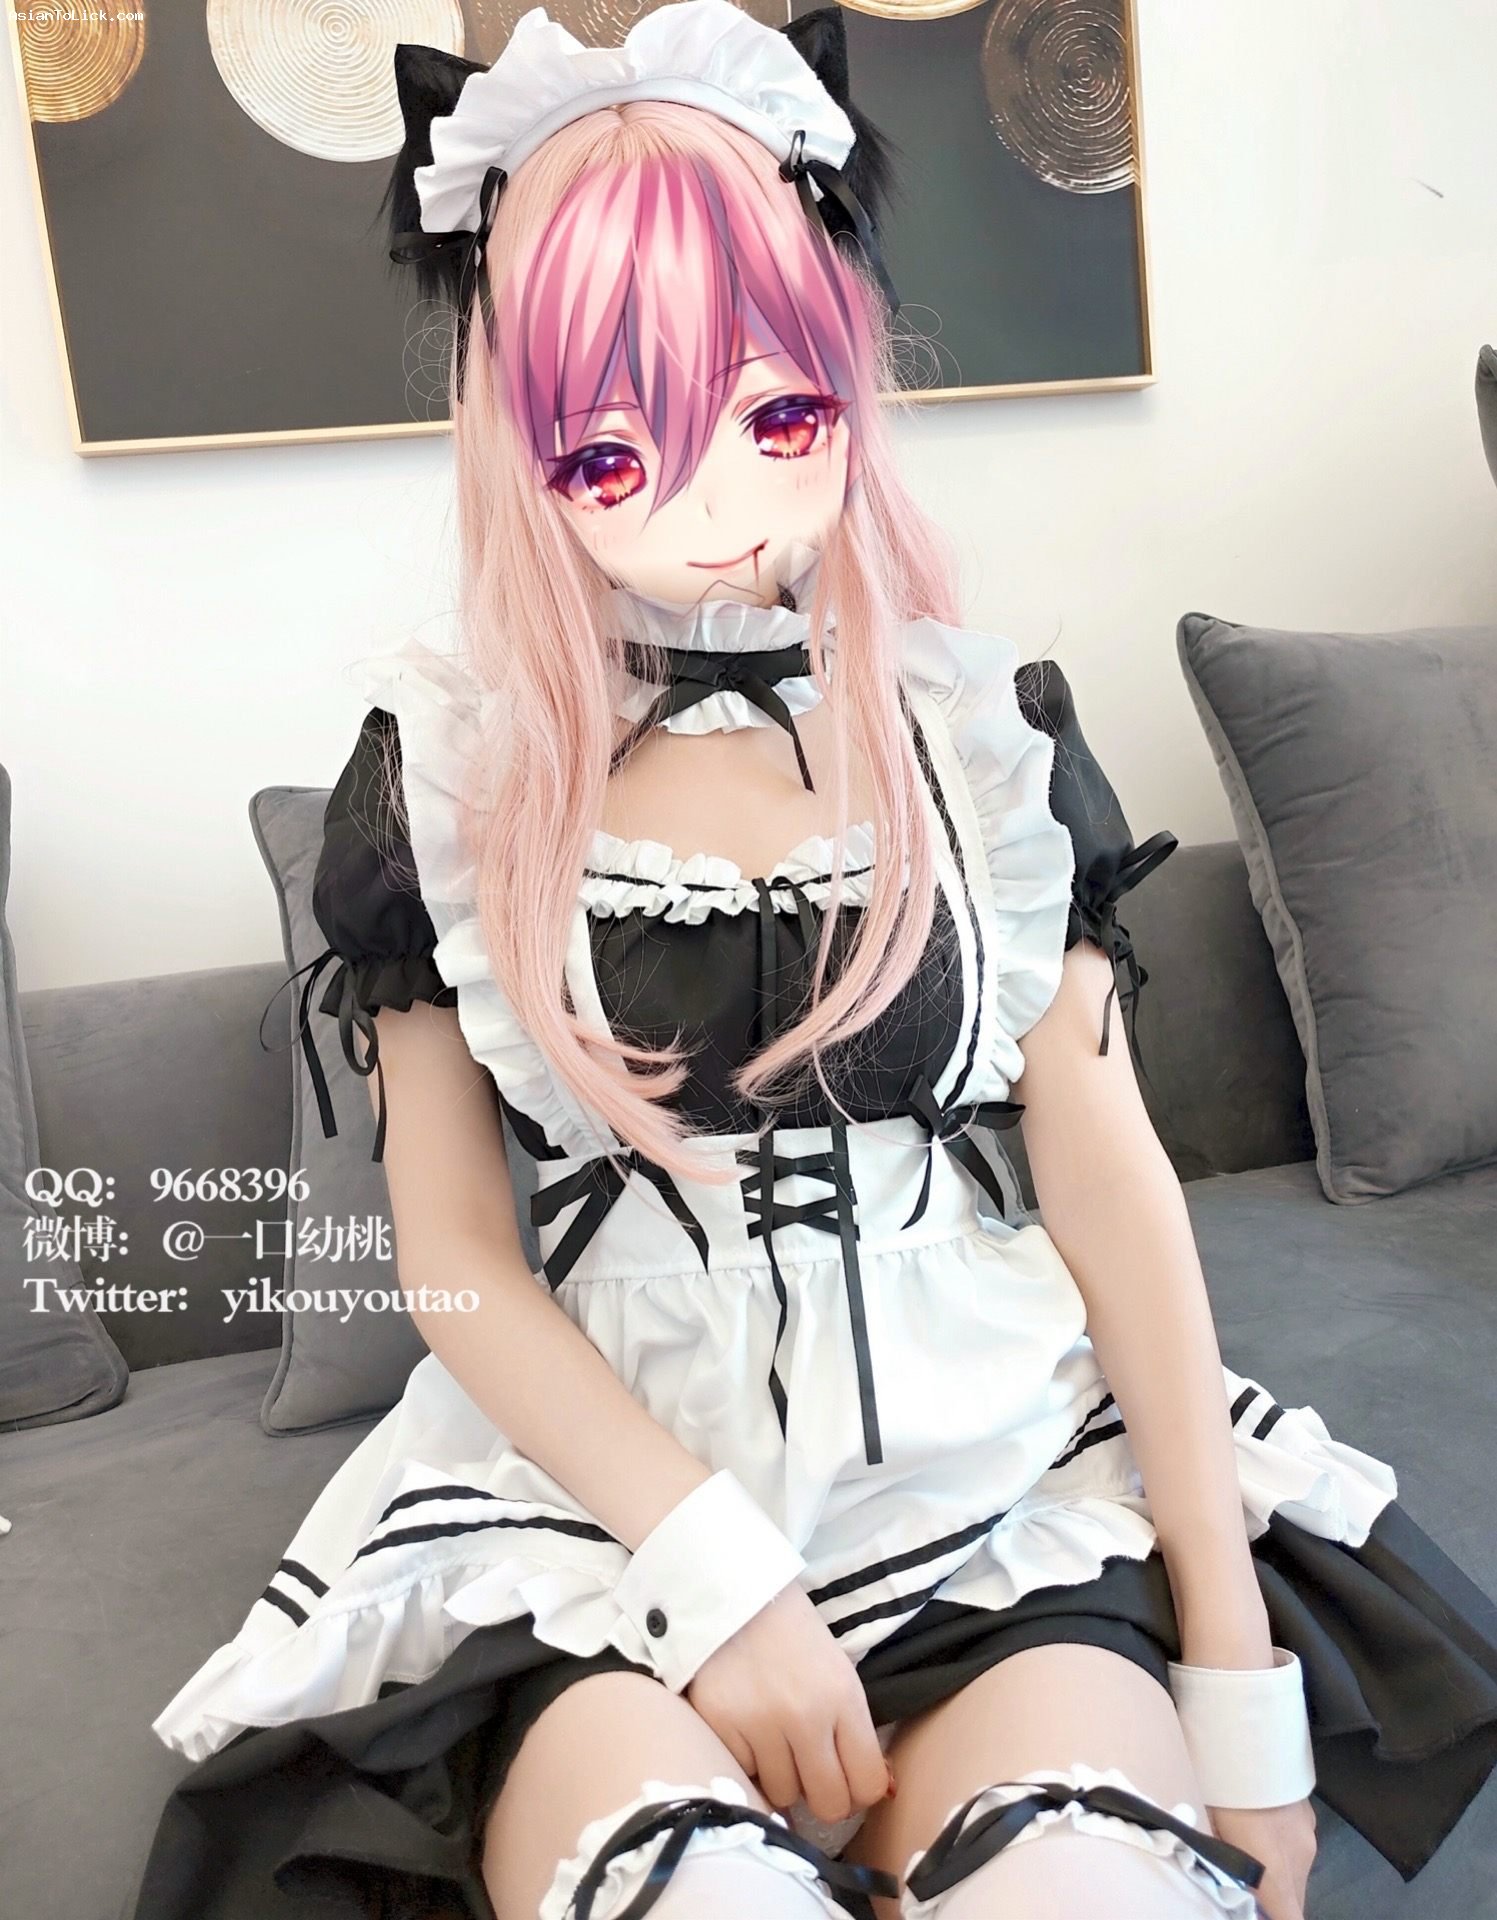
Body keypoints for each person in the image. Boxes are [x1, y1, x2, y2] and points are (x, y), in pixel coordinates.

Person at [131, 6, 1497, 1918]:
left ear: (850, 373)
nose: (713, 503)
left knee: (1094, 1889)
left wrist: (1233, 1670)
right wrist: (718, 1576)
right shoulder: (442, 779)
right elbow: (451, 1258)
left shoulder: (979, 745)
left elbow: (1112, 1195)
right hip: (606, 1542)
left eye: (776, 418)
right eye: (611, 447)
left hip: (986, 1495)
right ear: (519, 448)